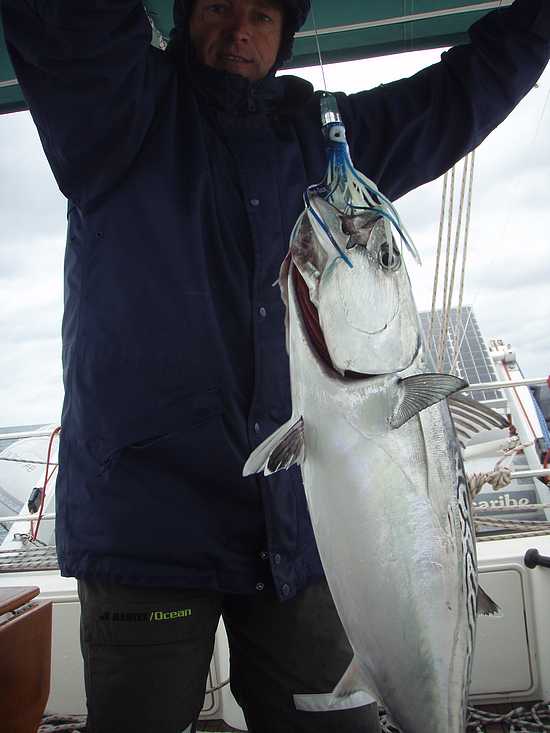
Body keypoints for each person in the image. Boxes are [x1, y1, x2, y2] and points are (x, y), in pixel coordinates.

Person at [1, 1, 549, 731]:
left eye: (261, 13)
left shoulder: (325, 139)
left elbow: (458, 96)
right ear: (183, 18)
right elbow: (64, 22)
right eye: (220, 7)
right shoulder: (117, 110)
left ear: (285, 32)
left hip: (304, 530)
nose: (240, 32)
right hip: (149, 532)